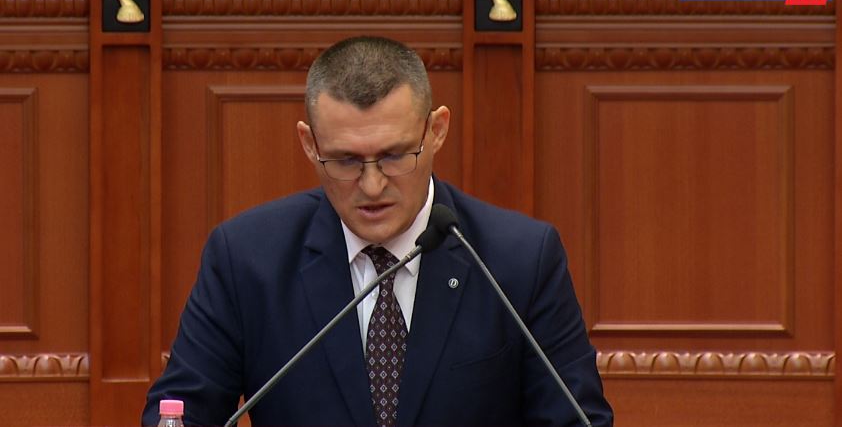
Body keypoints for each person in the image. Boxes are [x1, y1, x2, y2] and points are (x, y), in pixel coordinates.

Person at [142, 36, 613, 426]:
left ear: (436, 130)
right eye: (346, 160)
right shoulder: (247, 259)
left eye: (394, 155)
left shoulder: (520, 259)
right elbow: (181, 411)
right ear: (310, 143)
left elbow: (576, 418)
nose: (372, 186)